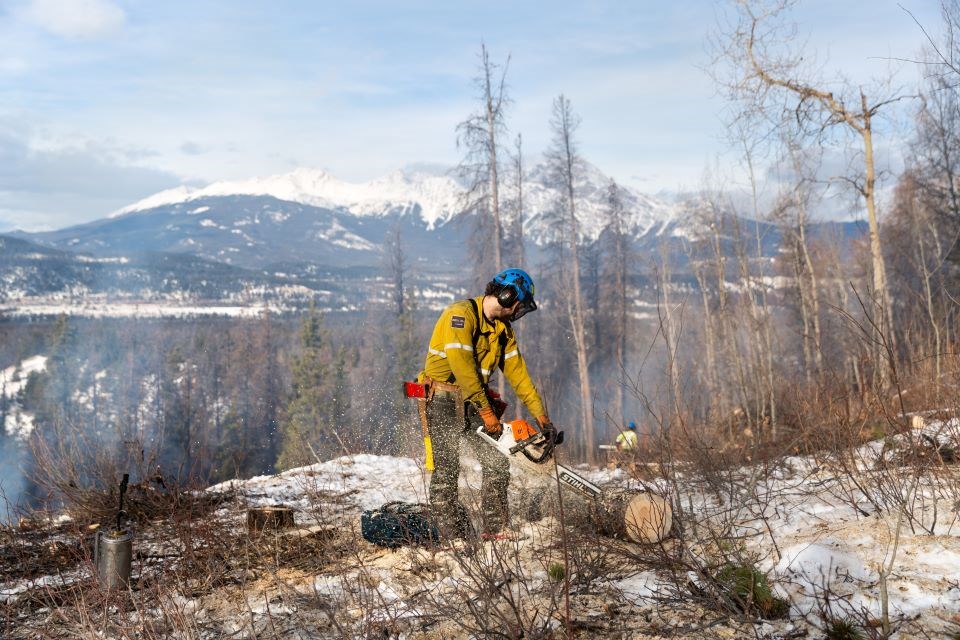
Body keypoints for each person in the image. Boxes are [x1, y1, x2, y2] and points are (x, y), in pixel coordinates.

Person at [417, 268, 555, 539]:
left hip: (474, 400)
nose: (518, 311)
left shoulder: (503, 331)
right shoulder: (460, 316)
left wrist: (542, 417)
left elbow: (519, 375)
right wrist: (487, 413)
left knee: (497, 463)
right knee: (446, 467)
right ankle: (450, 536)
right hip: (442, 399)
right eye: (518, 303)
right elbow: (464, 369)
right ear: (506, 295)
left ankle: (495, 529)